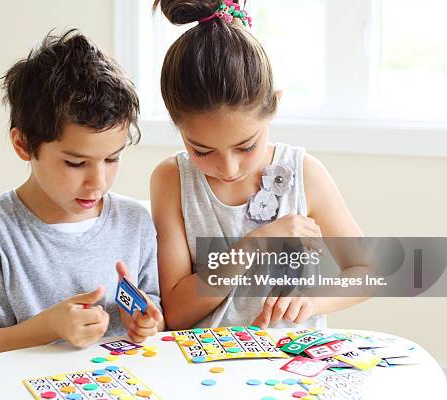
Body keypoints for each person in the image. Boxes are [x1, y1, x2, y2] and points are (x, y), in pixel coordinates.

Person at [151, 0, 368, 331]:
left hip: (291, 368)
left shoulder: (303, 173)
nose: (228, 167)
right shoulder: (171, 180)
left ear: (275, 105)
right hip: (204, 370)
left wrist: (311, 301)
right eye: (202, 150)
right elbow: (177, 312)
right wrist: (255, 244)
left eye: (246, 146)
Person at [0, 29, 163, 363]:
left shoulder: (135, 222)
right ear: (23, 145)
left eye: (112, 158)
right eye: (76, 163)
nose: (98, 181)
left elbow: (158, 318)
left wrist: (147, 324)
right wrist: (49, 325)